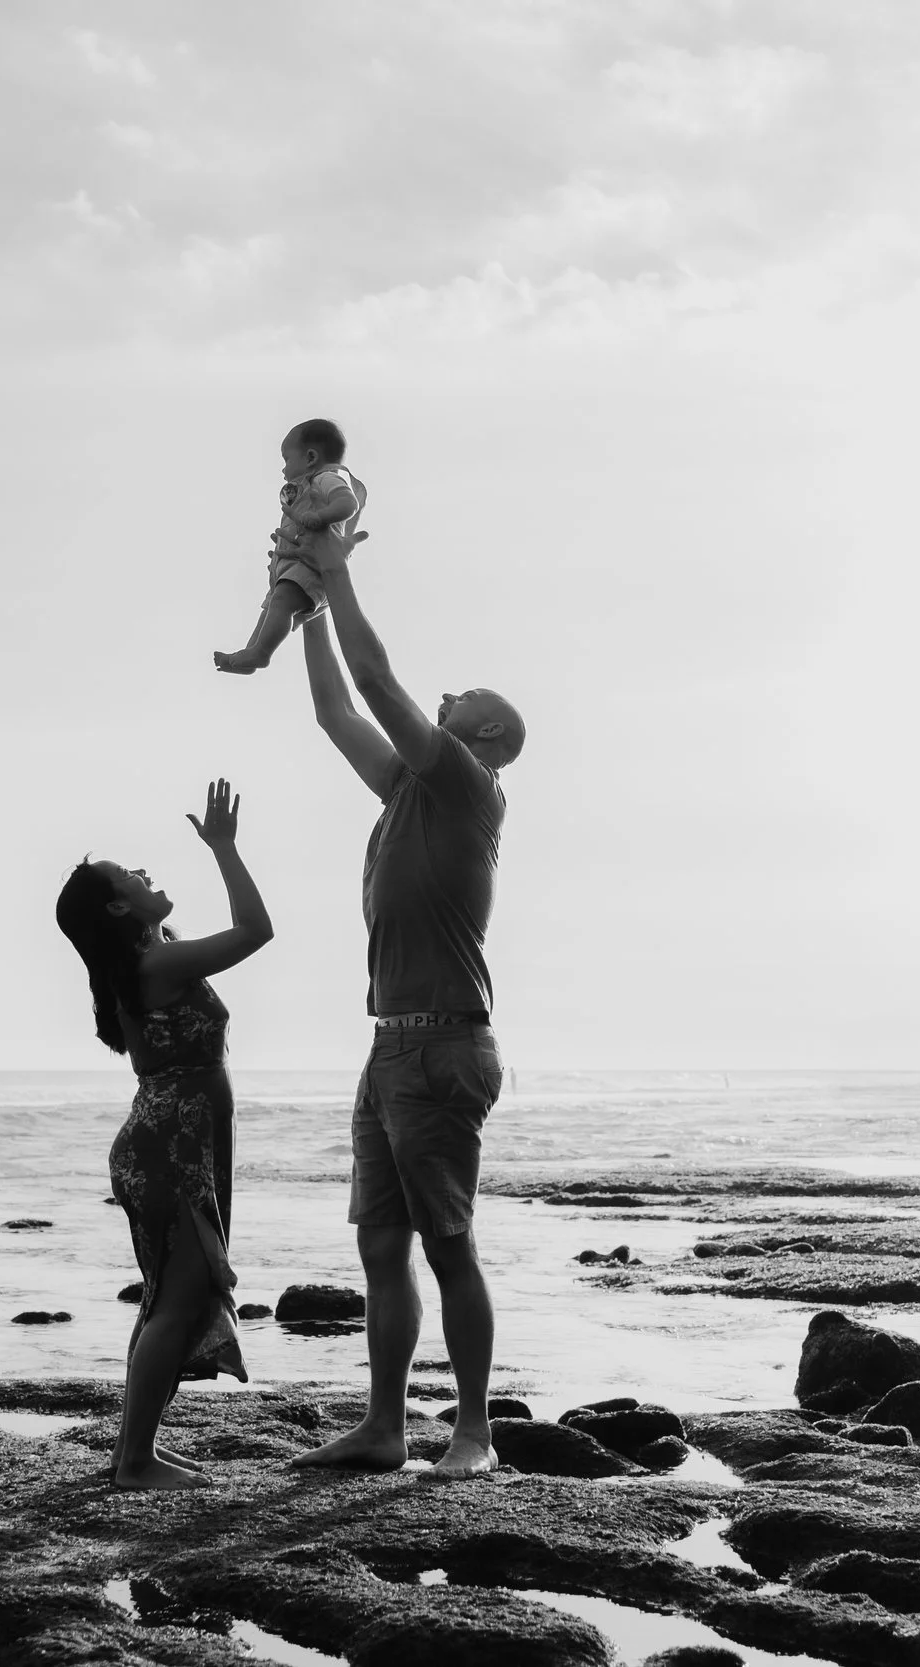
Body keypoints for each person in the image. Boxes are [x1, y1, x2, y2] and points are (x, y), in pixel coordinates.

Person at [285, 528, 524, 1480]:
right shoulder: (406, 794)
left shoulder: (470, 786)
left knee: (449, 1245)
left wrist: (338, 571)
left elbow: (379, 682)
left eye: (459, 697)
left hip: (444, 1050)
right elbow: (338, 708)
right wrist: (304, 607)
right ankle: (386, 1427)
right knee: (383, 1246)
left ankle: (473, 1433)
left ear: (488, 736)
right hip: (388, 1051)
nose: (441, 695)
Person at [53, 779, 272, 1489]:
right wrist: (225, 849)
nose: (148, 875)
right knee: (177, 1301)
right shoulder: (153, 965)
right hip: (171, 1145)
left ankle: (130, 1453)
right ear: (118, 905)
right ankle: (137, 1462)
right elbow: (254, 931)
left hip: (176, 1139)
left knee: (168, 1300)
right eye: (132, 876)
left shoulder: (149, 958)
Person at [214, 418, 367, 674]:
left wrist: (320, 517)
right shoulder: (308, 484)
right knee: (272, 607)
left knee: (281, 602)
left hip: (310, 568)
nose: (283, 468)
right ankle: (250, 653)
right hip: (292, 565)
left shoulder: (325, 478)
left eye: (286, 459)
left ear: (309, 457)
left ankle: (261, 652)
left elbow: (348, 504)